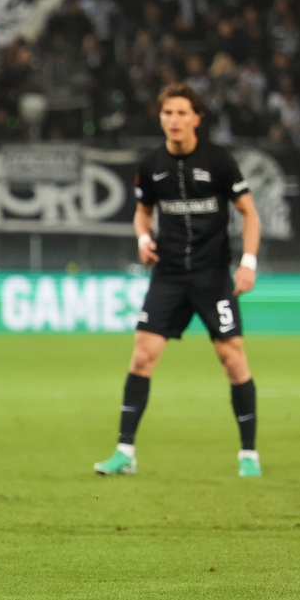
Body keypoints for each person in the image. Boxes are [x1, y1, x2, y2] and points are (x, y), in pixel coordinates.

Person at [93, 83, 263, 478]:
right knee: (142, 355)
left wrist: (249, 263)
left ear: (197, 119)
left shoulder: (219, 161)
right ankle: (125, 451)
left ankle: (249, 454)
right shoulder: (152, 164)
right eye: (168, 112)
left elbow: (249, 213)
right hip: (168, 275)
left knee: (233, 359)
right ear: (161, 117)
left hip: (212, 276)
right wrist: (142, 238)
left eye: (182, 113)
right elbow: (142, 212)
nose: (174, 120)